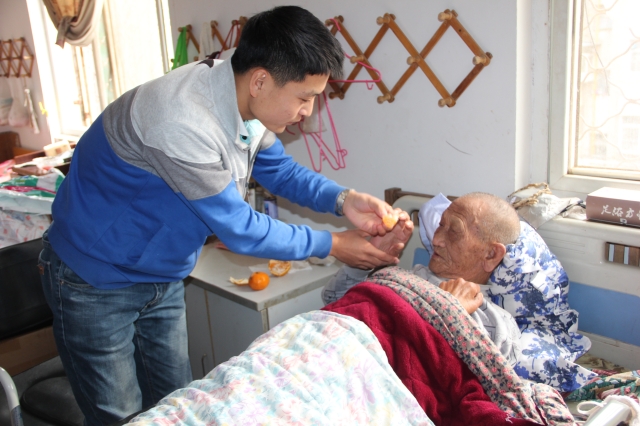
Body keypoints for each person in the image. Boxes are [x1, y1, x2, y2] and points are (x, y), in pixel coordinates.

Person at [39, 6, 407, 424]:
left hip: (161, 274)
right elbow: (241, 229)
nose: (308, 111)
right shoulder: (181, 121)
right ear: (261, 81)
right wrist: (334, 244)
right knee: (119, 415)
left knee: (176, 404)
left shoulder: (243, 92)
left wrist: (344, 200)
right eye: (304, 98)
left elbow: (280, 171)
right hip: (94, 278)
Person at [323, 192, 596, 391]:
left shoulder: (495, 321)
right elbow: (334, 302)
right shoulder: (406, 276)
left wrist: (449, 312)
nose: (436, 239)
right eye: (440, 225)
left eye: (453, 232)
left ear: (490, 254)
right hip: (327, 345)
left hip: (359, 377)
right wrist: (367, 262)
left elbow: (451, 385)